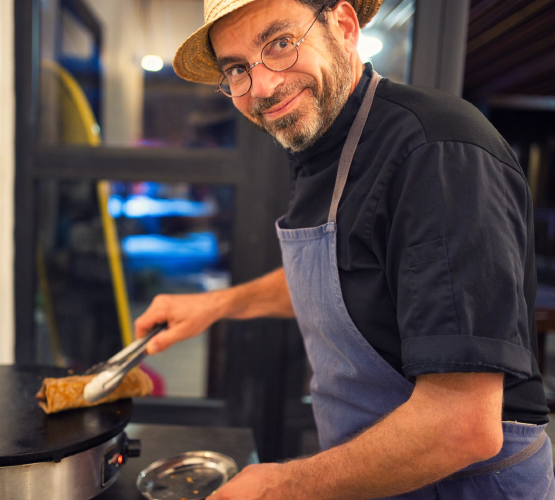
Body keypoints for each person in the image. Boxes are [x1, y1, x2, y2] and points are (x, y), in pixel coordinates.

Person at [134, 0, 555, 498]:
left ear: (345, 26)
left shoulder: (437, 152)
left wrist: (283, 486)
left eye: (280, 44)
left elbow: (461, 423)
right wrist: (215, 305)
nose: (262, 86)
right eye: (237, 69)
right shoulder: (322, 145)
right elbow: (346, 278)